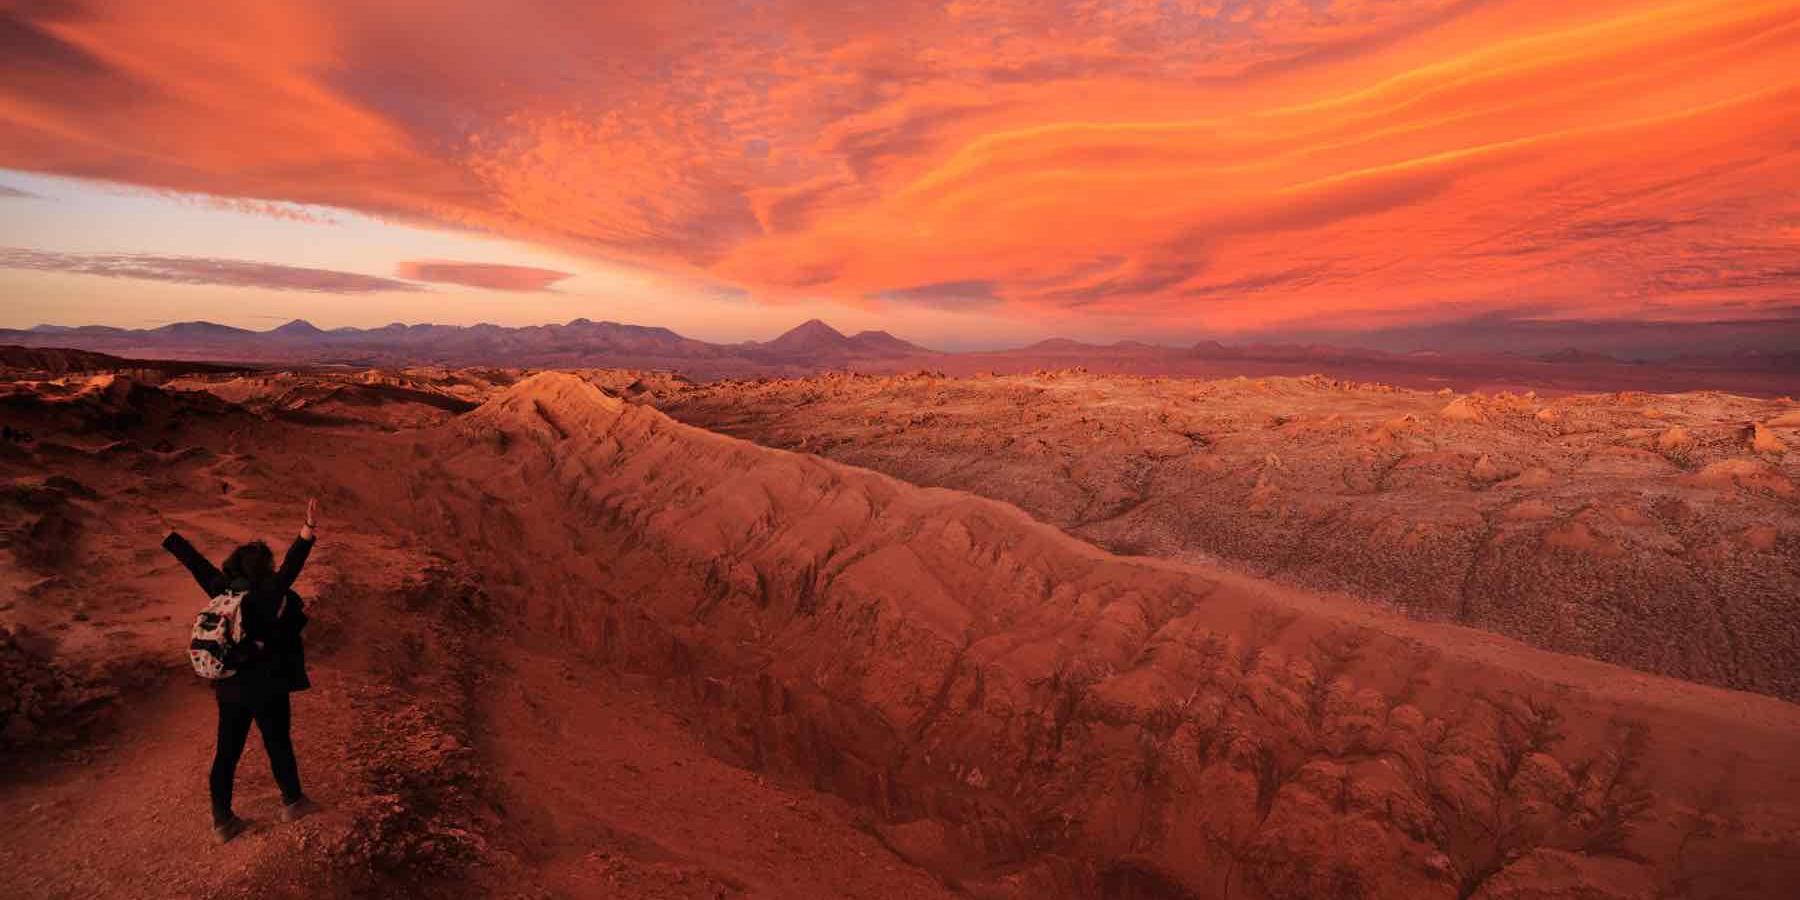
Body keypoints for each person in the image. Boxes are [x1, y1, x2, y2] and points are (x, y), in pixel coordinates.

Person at [163, 498, 321, 843]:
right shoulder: (268, 591)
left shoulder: (222, 589)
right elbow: (294, 564)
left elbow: (197, 565)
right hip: (267, 686)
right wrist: (308, 530)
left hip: (229, 686)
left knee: (227, 752)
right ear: (264, 568)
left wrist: (171, 538)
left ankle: (222, 820)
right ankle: (293, 801)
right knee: (278, 742)